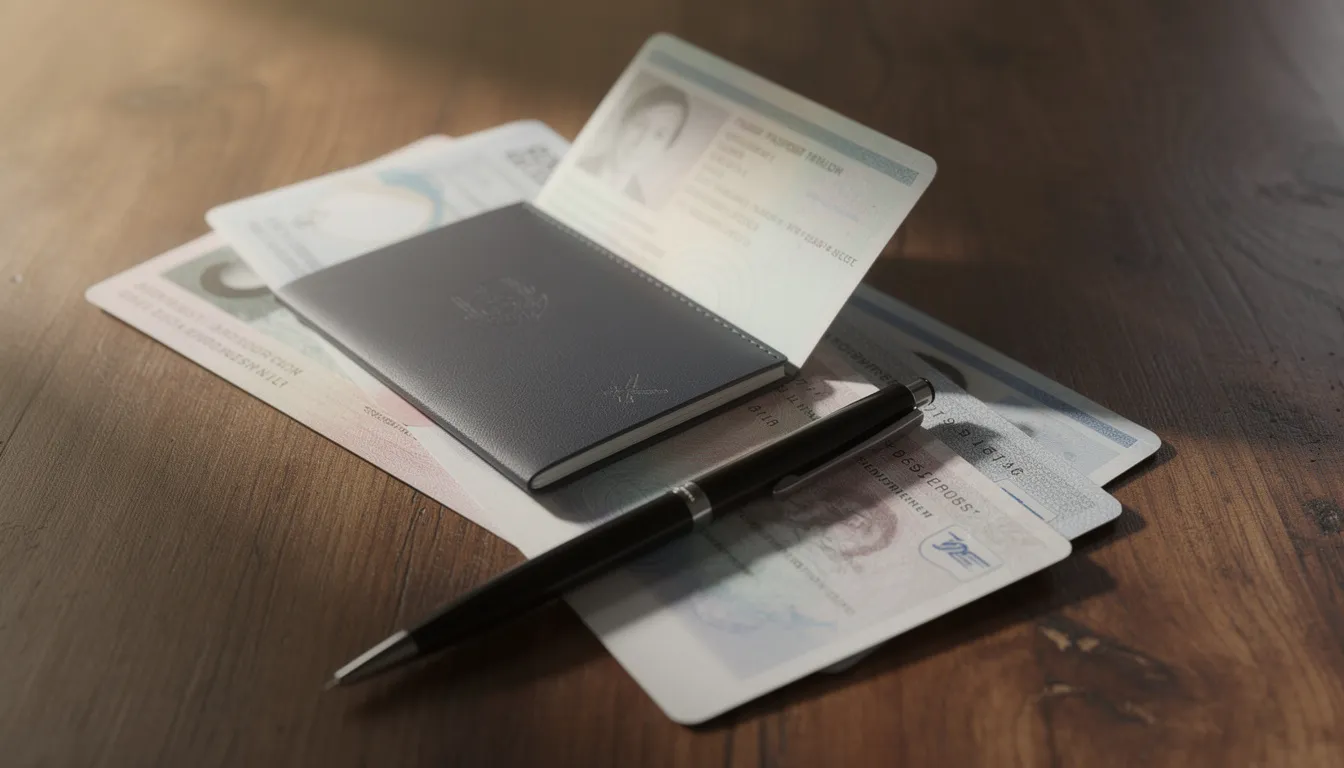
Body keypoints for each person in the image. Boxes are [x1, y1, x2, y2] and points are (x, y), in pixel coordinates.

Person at [579, 84, 690, 204]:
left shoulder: (640, 204)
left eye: (659, 135)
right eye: (640, 124)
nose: (641, 143)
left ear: (665, 149)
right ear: (624, 121)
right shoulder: (578, 165)